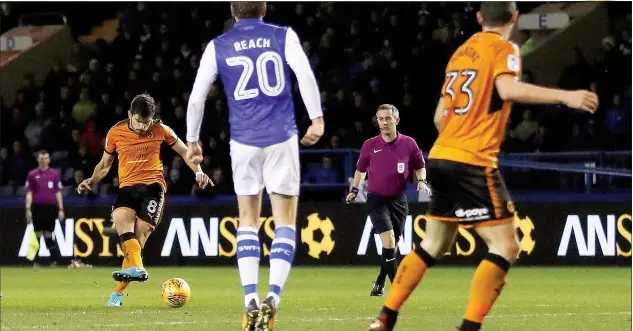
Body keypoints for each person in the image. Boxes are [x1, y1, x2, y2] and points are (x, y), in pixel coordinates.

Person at [368, 3, 598, 331]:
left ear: (479, 18)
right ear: (515, 18)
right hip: (472, 159)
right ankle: (469, 328)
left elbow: (439, 117)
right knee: (505, 246)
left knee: (434, 244)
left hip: (440, 154)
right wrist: (565, 97)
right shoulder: (505, 49)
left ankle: (384, 318)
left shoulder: (461, 53)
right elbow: (507, 89)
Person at [185, 2, 323, 330]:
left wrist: (192, 139)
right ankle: (273, 296)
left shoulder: (218, 45)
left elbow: (196, 98)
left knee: (247, 219)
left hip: (244, 142)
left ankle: (249, 299)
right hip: (282, 137)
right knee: (285, 220)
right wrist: (316, 119)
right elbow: (304, 74)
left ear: (234, 12)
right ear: (264, 9)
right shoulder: (283, 35)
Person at [77, 94, 212, 307]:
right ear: (130, 115)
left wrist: (198, 172)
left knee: (136, 243)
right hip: (127, 187)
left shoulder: (161, 130)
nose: (142, 126)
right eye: (138, 121)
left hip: (153, 188)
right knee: (121, 220)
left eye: (146, 122)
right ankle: (137, 270)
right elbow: (104, 164)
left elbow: (186, 153)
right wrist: (92, 180)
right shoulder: (115, 132)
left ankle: (118, 292)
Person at [346, 104, 430, 297]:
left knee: (391, 245)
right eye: (380, 119)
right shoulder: (369, 145)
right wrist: (354, 190)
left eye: (387, 119)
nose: (383, 122)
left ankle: (380, 283)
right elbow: (360, 171)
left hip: (399, 201)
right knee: (389, 240)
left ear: (396, 120)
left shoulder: (409, 143)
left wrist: (421, 182)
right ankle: (398, 290)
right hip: (376, 200)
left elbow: (419, 165)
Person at [25, 150, 64, 267]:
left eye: (45, 158)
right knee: (37, 233)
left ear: (49, 159)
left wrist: (61, 208)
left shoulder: (54, 174)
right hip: (37, 207)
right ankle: (34, 261)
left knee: (48, 233)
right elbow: (29, 192)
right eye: (41, 158)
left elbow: (58, 192)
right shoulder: (32, 174)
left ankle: (54, 260)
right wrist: (27, 208)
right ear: (38, 159)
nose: (43, 160)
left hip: (50, 207)